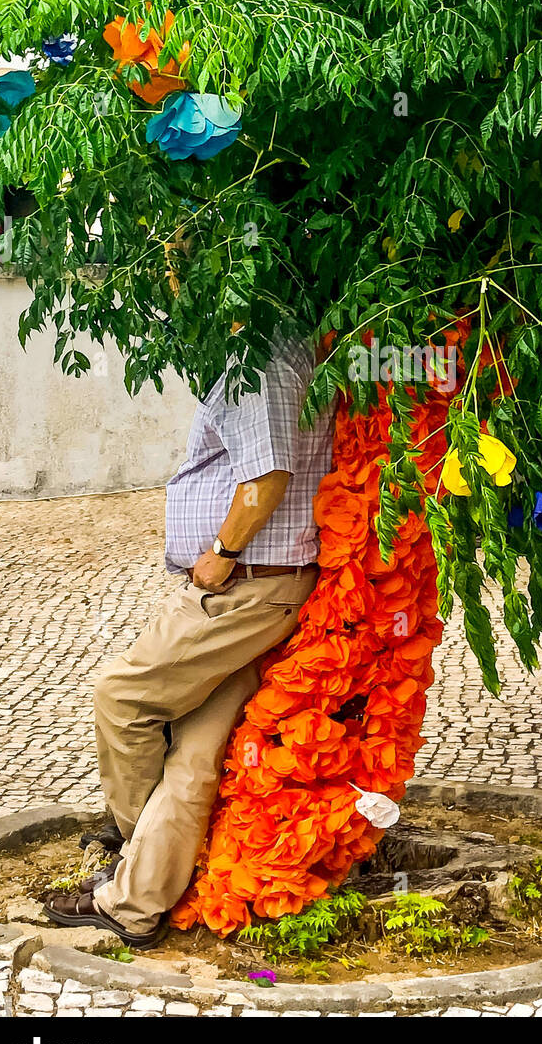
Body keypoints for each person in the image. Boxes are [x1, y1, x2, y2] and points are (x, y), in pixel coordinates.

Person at [43, 335, 334, 946]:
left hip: (242, 588)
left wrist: (223, 553)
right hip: (264, 587)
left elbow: (268, 475)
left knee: (123, 697)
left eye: (180, 244)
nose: (172, 264)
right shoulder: (288, 344)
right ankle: (138, 899)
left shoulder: (266, 350)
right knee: (196, 755)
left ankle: (133, 851)